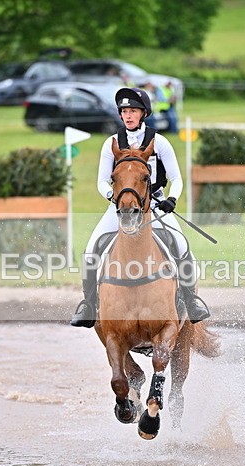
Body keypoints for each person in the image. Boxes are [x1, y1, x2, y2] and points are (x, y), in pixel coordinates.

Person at [70, 87, 210, 328]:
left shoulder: (160, 142)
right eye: (124, 111)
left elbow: (176, 178)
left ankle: (191, 300)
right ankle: (89, 304)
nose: (128, 115)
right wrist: (113, 198)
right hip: (121, 206)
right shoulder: (111, 143)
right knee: (92, 249)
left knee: (181, 245)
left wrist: (172, 199)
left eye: (133, 111)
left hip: (155, 204)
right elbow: (102, 180)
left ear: (143, 113)